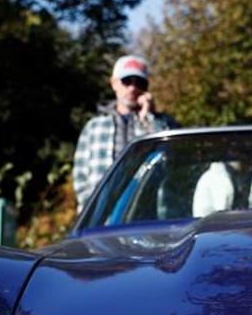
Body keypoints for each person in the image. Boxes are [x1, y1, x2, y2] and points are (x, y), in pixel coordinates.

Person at [73, 55, 178, 209]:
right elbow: (80, 175)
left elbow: (171, 158)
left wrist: (149, 116)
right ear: (114, 83)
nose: (133, 88)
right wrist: (91, 208)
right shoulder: (94, 127)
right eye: (127, 81)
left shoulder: (161, 123)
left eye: (140, 83)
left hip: (146, 213)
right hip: (101, 215)